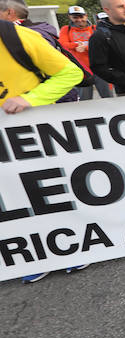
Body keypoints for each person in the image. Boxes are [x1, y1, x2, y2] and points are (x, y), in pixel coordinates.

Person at [0, 19, 86, 283]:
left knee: (45, 190)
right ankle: (30, 255)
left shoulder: (15, 36)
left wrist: (28, 100)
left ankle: (71, 246)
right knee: (9, 197)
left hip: (27, 133)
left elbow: (72, 74)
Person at [0, 0, 79, 104]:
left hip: (41, 109)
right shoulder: (28, 32)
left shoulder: (25, 35)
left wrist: (28, 100)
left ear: (9, 13)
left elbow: (70, 73)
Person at [60, 5, 113, 100]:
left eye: (81, 16)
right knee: (85, 100)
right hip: (81, 71)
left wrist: (85, 47)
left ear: (86, 16)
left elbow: (103, 45)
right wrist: (76, 46)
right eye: (75, 17)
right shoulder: (66, 29)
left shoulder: (95, 28)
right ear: (70, 17)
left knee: (109, 97)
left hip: (100, 68)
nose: (79, 20)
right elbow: (63, 44)